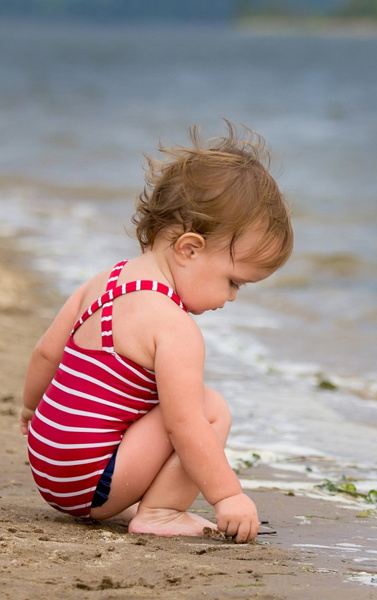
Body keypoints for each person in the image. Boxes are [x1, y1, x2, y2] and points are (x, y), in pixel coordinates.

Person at [19, 121, 293, 543]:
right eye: (234, 282)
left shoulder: (104, 281)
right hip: (89, 484)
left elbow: (44, 355)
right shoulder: (173, 326)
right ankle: (162, 512)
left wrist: (29, 411)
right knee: (209, 407)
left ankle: (129, 496)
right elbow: (184, 425)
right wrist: (228, 496)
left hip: (45, 464)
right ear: (189, 248)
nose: (233, 297)